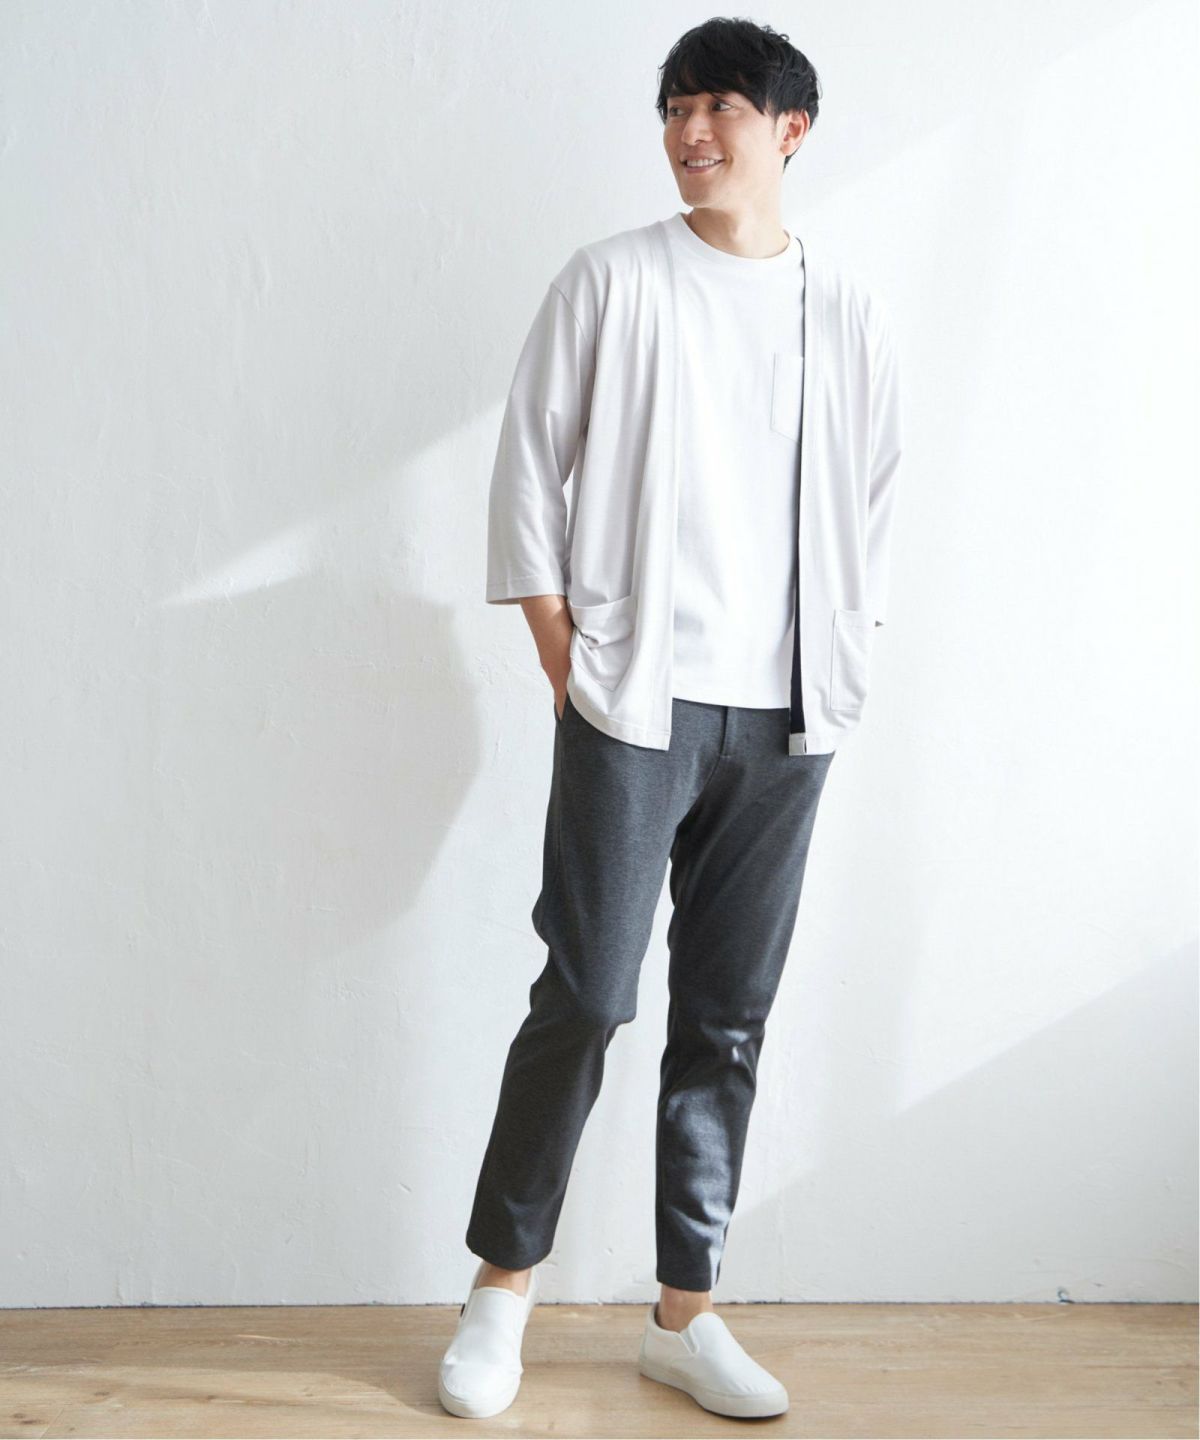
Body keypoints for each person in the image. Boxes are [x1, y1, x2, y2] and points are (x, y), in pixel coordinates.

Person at [439, 15, 903, 1422]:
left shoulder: (847, 311)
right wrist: (560, 647)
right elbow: (530, 464)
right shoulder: (613, 280)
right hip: (634, 700)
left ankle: (683, 1313)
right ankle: (499, 1292)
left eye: (721, 108)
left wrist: (846, 651)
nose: (690, 132)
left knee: (727, 1015)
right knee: (587, 992)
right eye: (675, 108)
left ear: (790, 130)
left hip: (786, 717)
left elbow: (873, 498)